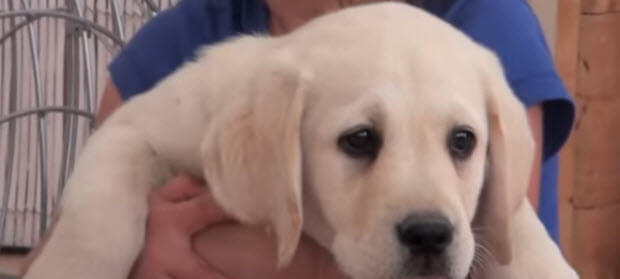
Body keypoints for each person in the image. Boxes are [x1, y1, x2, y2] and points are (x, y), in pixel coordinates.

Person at [96, 0, 575, 278]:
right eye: (361, 140)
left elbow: (494, 255)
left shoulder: (478, 20)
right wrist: (132, 256)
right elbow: (55, 257)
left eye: (461, 143)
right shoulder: (176, 49)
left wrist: (235, 254)